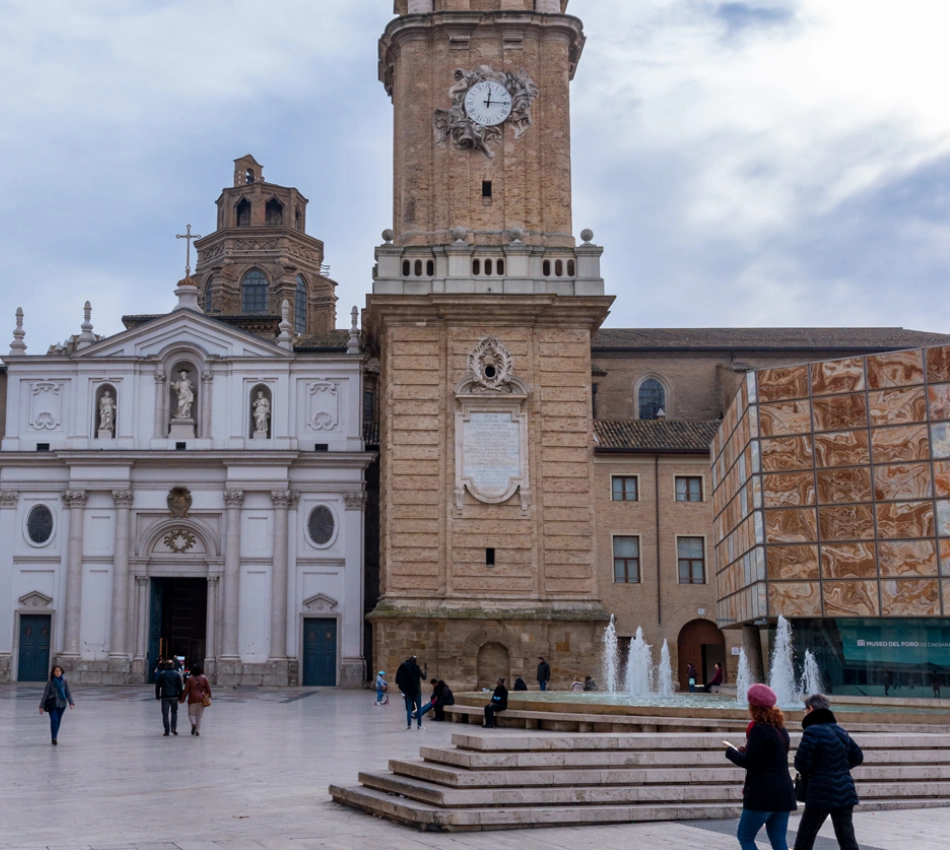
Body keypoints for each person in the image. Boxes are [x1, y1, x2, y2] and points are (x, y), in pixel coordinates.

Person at [725, 684, 797, 850]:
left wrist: (732, 753)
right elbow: (770, 757)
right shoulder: (780, 729)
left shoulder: (759, 730)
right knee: (779, 840)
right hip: (784, 793)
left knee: (745, 836)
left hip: (763, 795)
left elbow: (750, 763)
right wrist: (747, 750)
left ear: (753, 707)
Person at [793, 694, 864, 850]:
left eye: (805, 710)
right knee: (846, 838)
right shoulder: (840, 731)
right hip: (845, 791)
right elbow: (857, 756)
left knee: (805, 836)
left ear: (811, 709)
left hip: (820, 791)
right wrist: (839, 769)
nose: (805, 713)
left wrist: (819, 770)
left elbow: (802, 764)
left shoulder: (812, 731)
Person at [38, 666, 75, 745]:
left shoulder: (64, 682)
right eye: (56, 671)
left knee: (58, 721)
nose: (58, 673)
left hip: (62, 704)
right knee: (54, 720)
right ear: (53, 672)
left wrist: (71, 703)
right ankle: (53, 737)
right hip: (52, 704)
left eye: (59, 671)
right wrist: (41, 706)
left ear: (61, 672)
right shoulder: (50, 682)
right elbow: (45, 694)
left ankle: (55, 736)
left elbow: (68, 693)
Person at [395, 655, 427, 730]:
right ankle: (419, 725)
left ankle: (409, 725)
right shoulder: (417, 669)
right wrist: (425, 670)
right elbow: (424, 677)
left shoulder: (406, 669)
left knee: (409, 708)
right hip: (417, 692)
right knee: (419, 708)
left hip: (409, 692)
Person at [155, 659, 184, 736]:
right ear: (173, 666)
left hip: (165, 696)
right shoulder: (177, 674)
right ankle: (173, 728)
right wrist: (181, 697)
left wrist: (157, 696)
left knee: (165, 714)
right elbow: (180, 687)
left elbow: (158, 686)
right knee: (174, 712)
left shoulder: (162, 674)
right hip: (174, 696)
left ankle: (166, 730)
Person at [182, 664, 211, 736]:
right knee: (199, 715)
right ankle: (197, 730)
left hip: (193, 698)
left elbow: (186, 690)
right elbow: (208, 689)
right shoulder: (204, 678)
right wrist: (209, 697)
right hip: (202, 698)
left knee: (191, 713)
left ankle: (193, 724)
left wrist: (182, 699)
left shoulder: (190, 679)